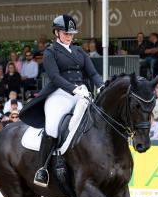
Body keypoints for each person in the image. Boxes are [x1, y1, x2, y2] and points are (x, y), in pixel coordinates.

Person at [19, 15, 103, 187]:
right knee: (52, 127)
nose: (70, 36)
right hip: (60, 95)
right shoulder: (51, 52)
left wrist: (101, 86)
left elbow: (93, 73)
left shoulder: (79, 51)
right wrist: (73, 88)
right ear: (57, 33)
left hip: (82, 94)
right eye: (66, 33)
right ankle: (42, 169)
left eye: (71, 33)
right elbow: (54, 77)